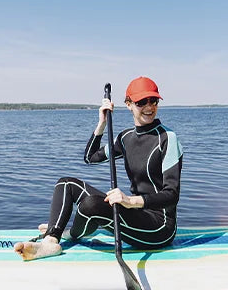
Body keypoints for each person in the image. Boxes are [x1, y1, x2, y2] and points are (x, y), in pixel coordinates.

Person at [14, 76, 183, 260]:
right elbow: (90, 157)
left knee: (92, 204)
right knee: (66, 184)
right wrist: (101, 124)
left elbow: (172, 195)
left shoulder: (167, 138)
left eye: (154, 101)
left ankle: (70, 233)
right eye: (142, 102)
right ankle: (51, 240)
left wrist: (130, 201)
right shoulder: (125, 138)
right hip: (135, 215)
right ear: (128, 104)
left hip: (159, 228)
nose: (149, 107)